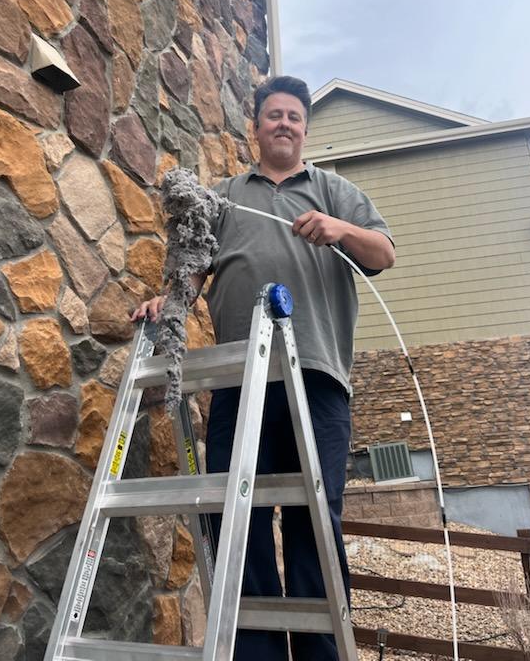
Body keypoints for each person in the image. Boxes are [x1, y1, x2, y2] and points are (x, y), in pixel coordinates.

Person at [132, 75, 395, 660]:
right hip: (238, 380)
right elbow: (194, 270)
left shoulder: (332, 190)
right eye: (273, 115)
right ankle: (257, 652)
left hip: (317, 379)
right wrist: (168, 303)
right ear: (254, 127)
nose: (283, 124)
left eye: (294, 117)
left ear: (305, 129)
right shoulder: (225, 194)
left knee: (314, 518)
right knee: (238, 518)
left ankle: (320, 652)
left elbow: (384, 253)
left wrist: (341, 229)